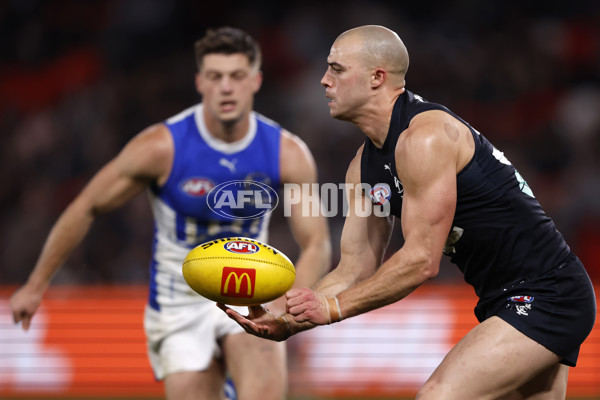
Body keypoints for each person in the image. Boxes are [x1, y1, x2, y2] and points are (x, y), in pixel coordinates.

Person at [220, 25, 597, 399]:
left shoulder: (425, 137)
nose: (323, 81)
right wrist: (287, 320)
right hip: (505, 299)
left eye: (336, 69)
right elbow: (354, 268)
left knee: (438, 396)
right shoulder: (362, 168)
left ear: (377, 77)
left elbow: (421, 261)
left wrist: (331, 308)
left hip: (547, 294)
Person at [10, 27, 331, 400]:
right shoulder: (161, 147)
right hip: (180, 300)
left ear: (256, 81)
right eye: (215, 77)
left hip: (249, 290)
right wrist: (36, 284)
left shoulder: (286, 153)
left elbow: (317, 242)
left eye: (237, 76)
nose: (226, 87)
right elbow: (86, 206)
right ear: (200, 82)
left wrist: (286, 307)